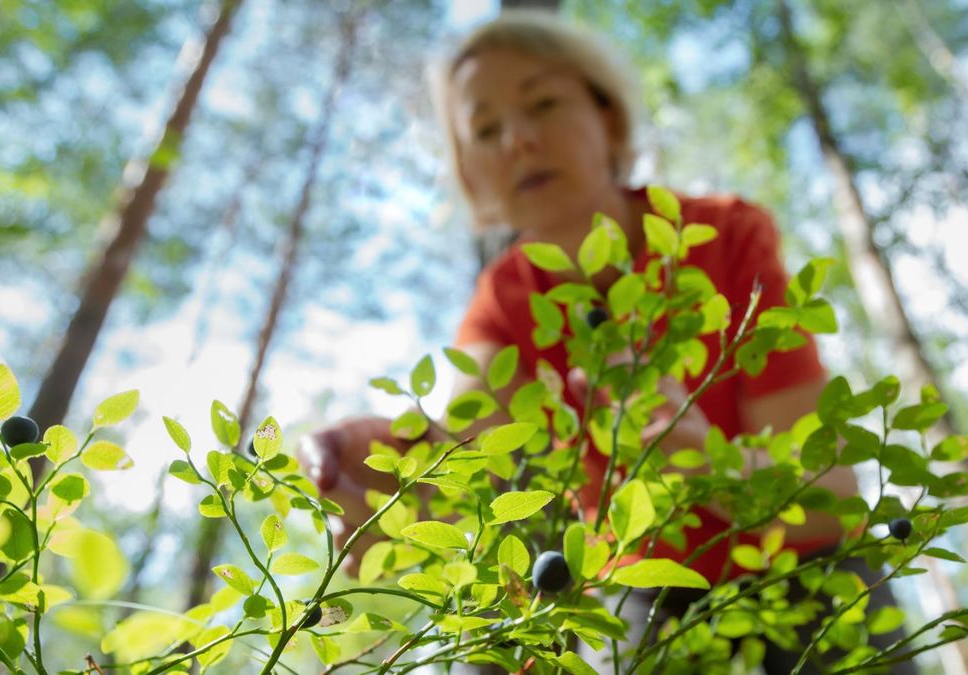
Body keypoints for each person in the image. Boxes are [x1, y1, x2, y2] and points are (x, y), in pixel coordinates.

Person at [298, 10, 914, 674]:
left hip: (802, 565)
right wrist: (391, 472)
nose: (519, 140)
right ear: (470, 175)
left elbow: (830, 500)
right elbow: (469, 458)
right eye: (485, 129)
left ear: (609, 118)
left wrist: (704, 465)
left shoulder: (722, 238)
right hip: (643, 583)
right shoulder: (504, 304)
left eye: (542, 102)